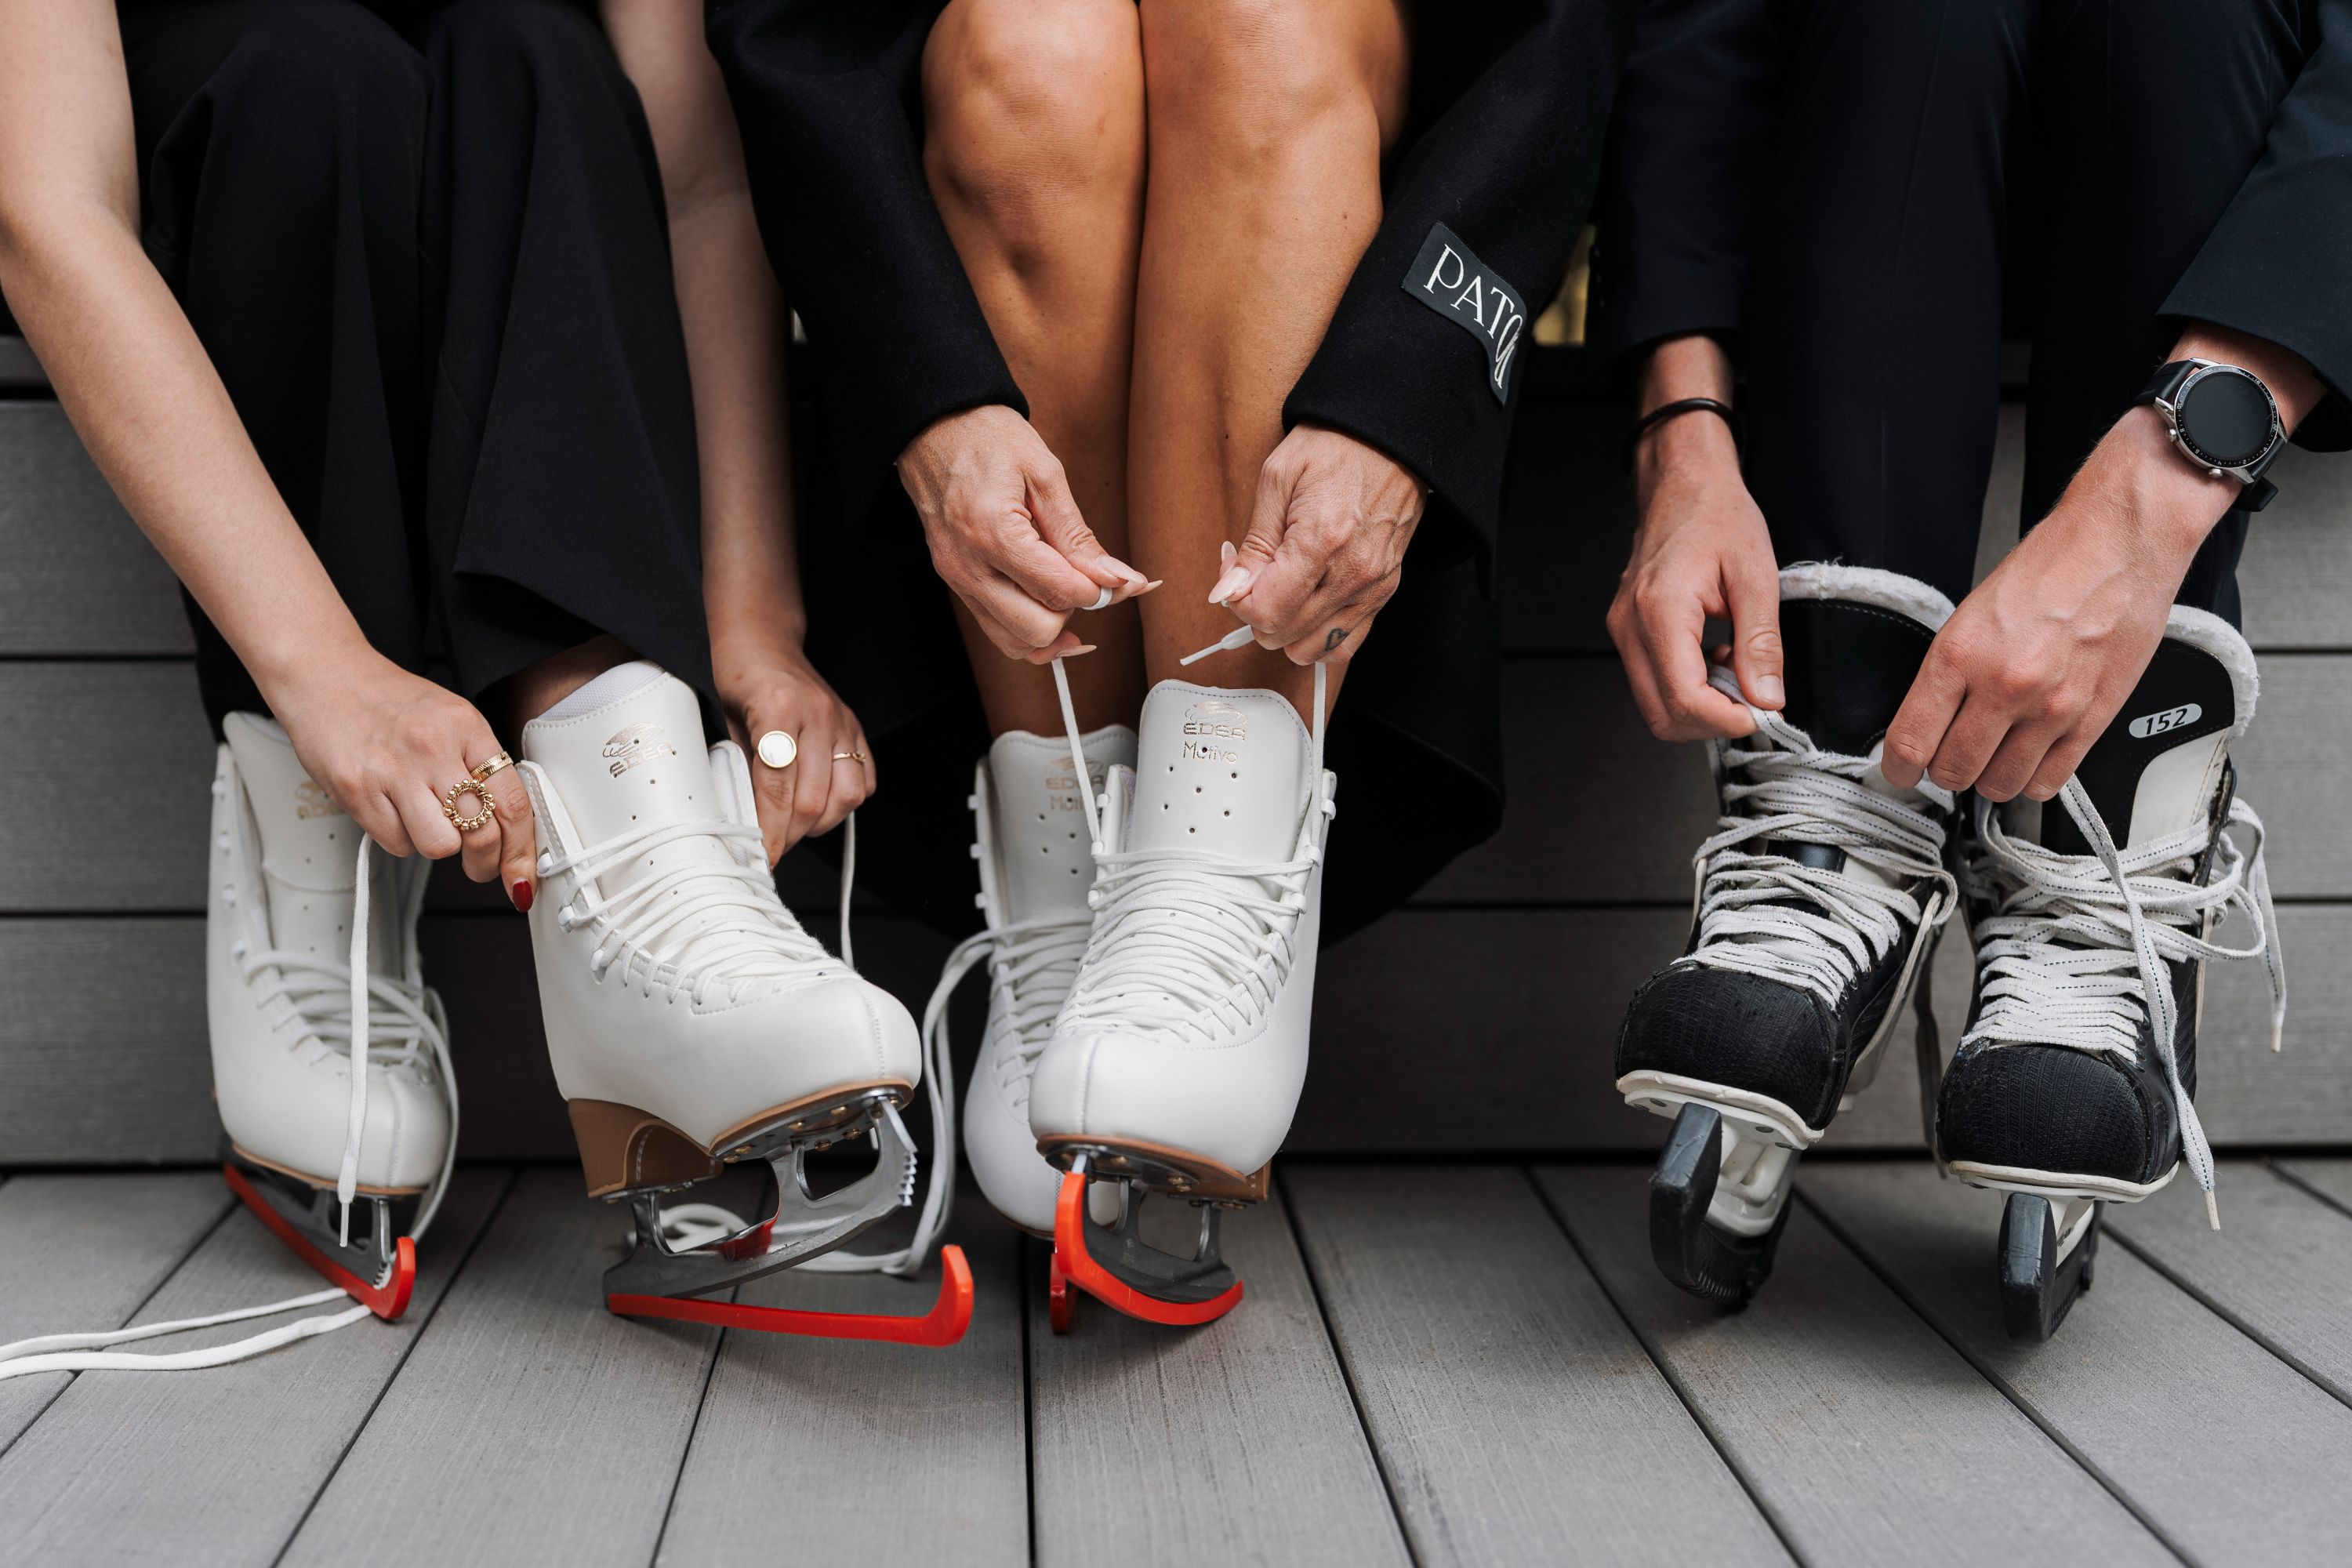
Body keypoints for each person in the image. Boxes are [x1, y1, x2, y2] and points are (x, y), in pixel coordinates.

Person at [0, 0, 957, 1375]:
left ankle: (631, 819)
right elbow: (51, 211)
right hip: (235, 166)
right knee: (306, 79)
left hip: (525, 175)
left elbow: (699, 181)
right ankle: (305, 826)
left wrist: (753, 615)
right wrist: (328, 678)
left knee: (536, 55)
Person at [650, 0, 1635, 1327]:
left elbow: (1556, 34)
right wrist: (929, 391)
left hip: (1344, 277)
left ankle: (1214, 870)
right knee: (1027, 47)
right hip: (961, 337)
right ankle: (1063, 884)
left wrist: (1405, 389)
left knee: (1258, 15)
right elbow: (800, 33)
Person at [1592, 0, 2342, 1338]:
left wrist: (2158, 494)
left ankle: (2107, 842)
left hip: (2223, 172)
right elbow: (1702, 22)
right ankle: (1835, 812)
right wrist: (1683, 428)